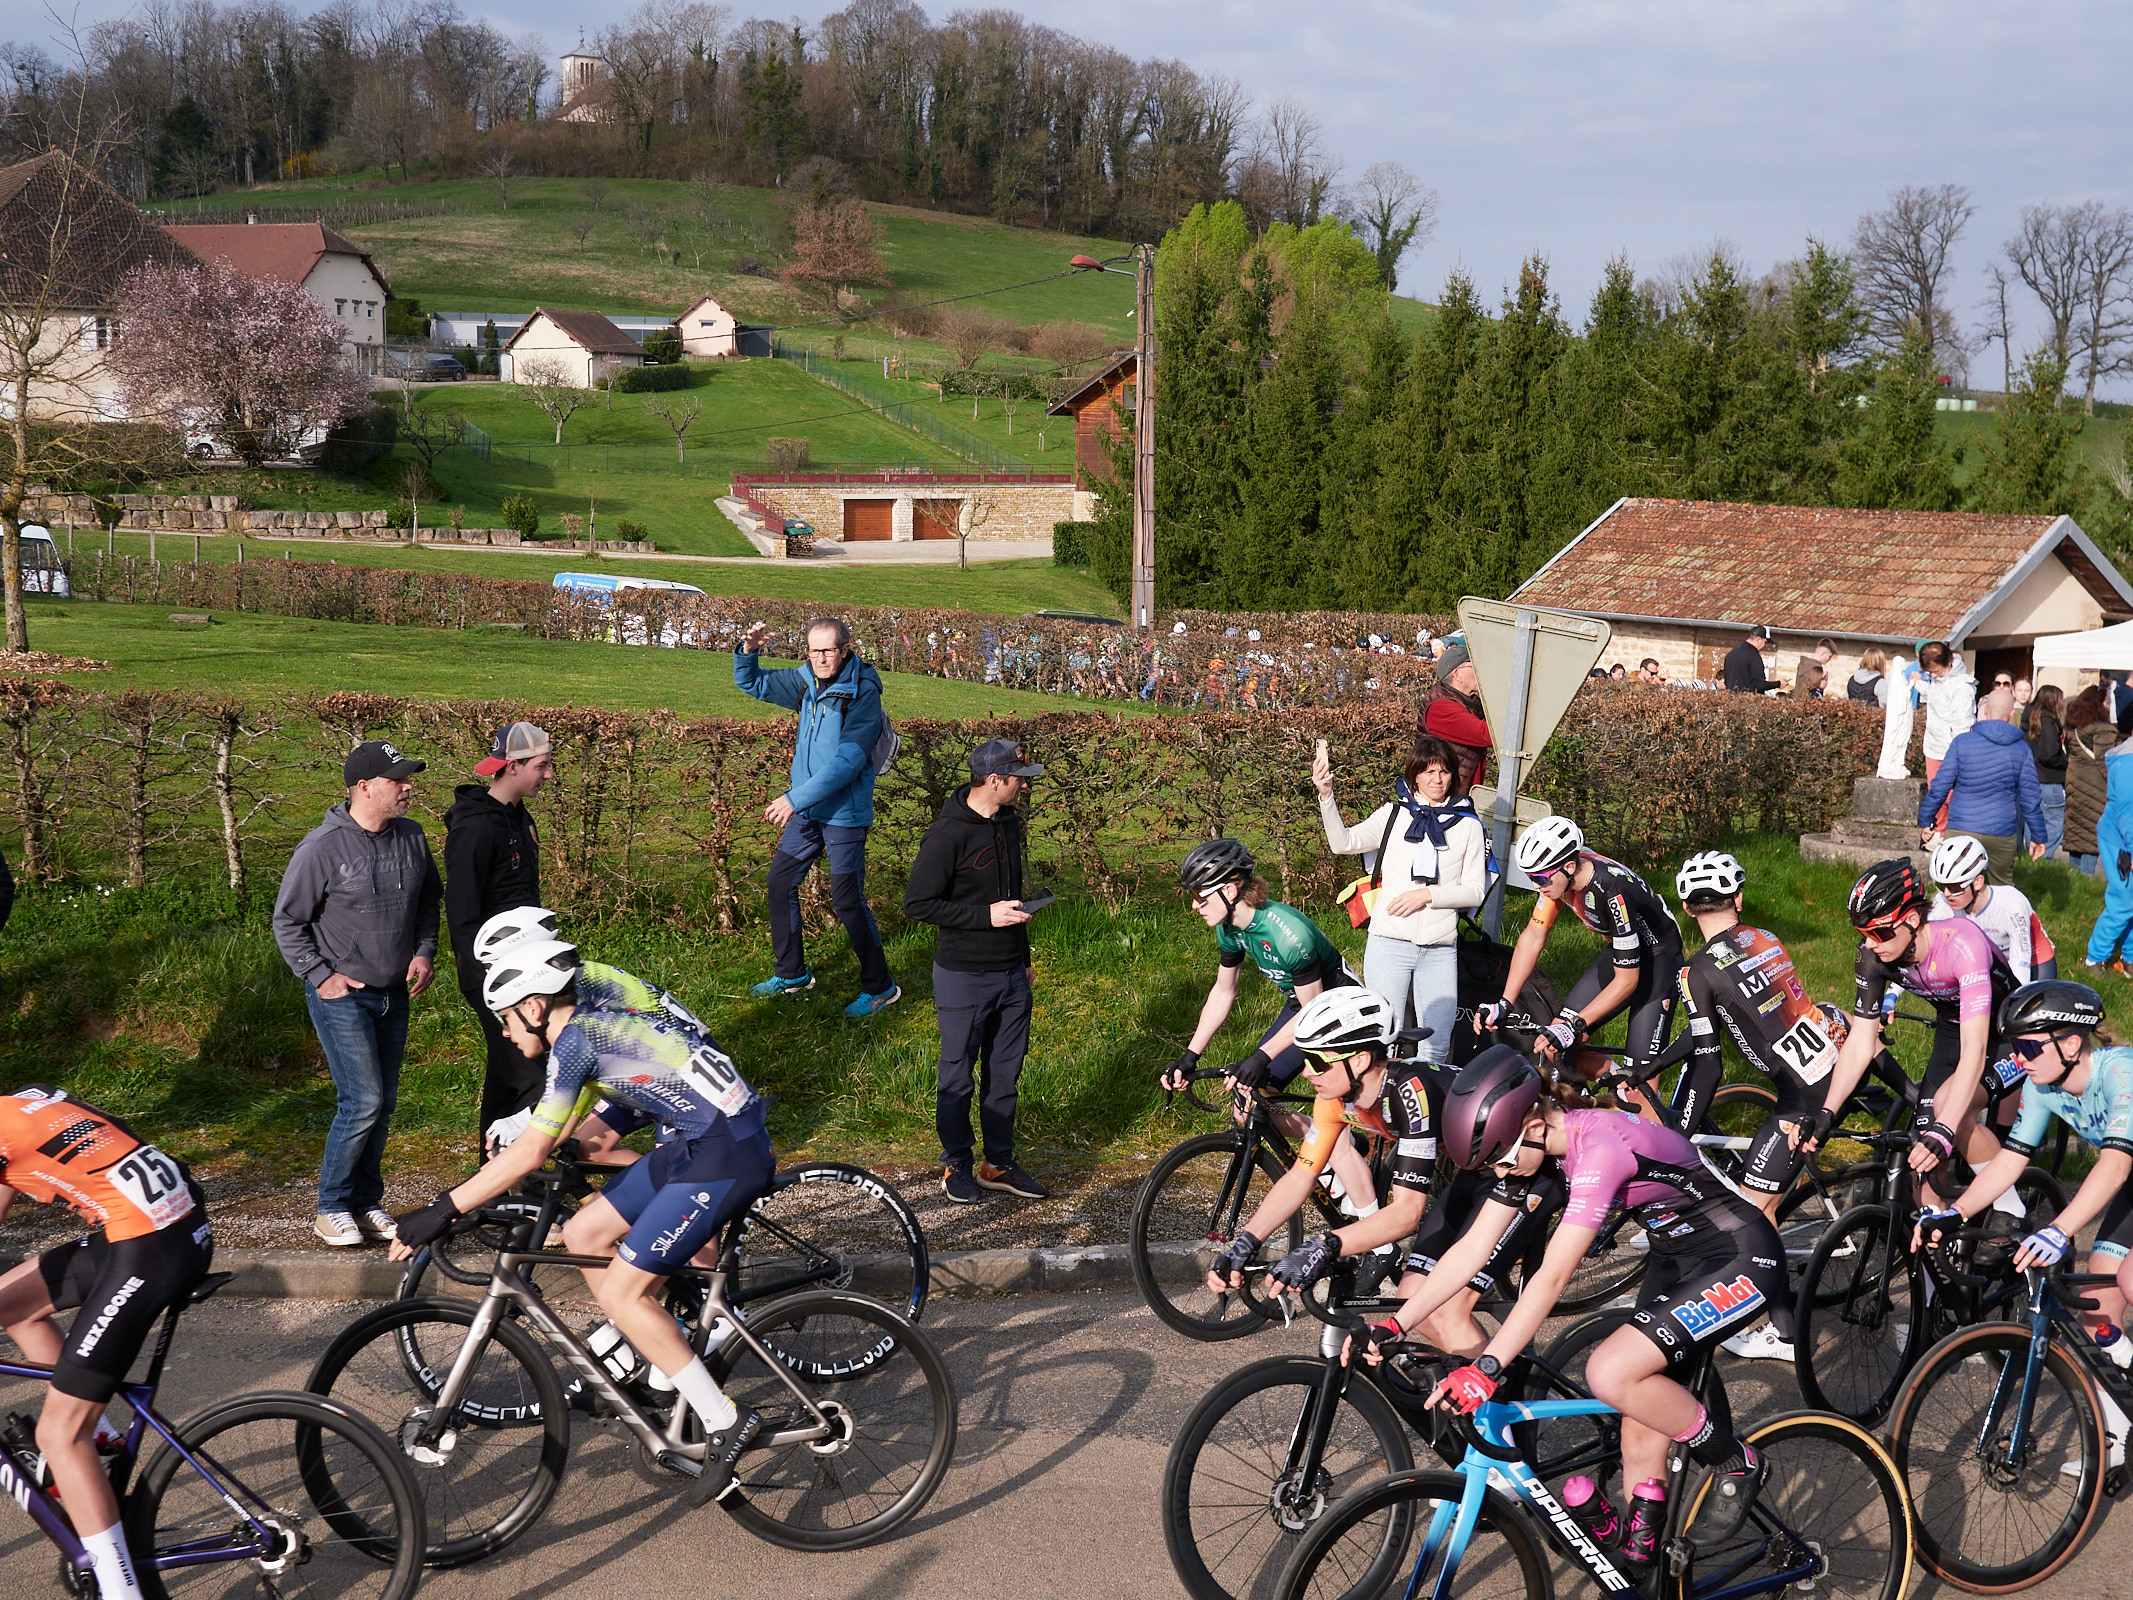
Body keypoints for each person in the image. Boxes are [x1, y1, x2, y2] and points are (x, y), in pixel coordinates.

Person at [390, 940, 773, 1506]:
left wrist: (443, 1207)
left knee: (622, 1291)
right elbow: (553, 1132)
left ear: (534, 1006)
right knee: (584, 1233)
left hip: (724, 1153)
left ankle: (725, 1419)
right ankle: (659, 1356)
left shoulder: (577, 1042)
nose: (503, 1031)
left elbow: (531, 1153)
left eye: (504, 1017)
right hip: (696, 1143)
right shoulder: (586, 1031)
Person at [1366, 1051, 1781, 1566]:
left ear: (1535, 1126)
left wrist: (1487, 1368)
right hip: (1675, 1259)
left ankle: (1735, 1460)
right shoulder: (1537, 1146)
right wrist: (1396, 1322)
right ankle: (1643, 1565)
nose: (1499, 1172)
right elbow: (1470, 1251)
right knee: (1638, 1429)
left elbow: (1552, 1278)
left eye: (1502, 1160)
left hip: (1740, 1257)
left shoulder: (1600, 1149)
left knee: (1608, 1372)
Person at [1215, 990, 1562, 1353]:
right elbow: (1301, 1175)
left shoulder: (1410, 1092)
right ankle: (1478, 1378)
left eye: (1317, 1062)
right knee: (1412, 1299)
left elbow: (1407, 1213)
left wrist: (1326, 1244)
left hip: (1526, 1167)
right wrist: (1246, 1243)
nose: (1305, 1071)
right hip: (1478, 1170)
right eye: (1305, 1059)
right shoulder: (1333, 1100)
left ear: (1360, 1060)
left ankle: (1494, 1387)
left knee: (1447, 1313)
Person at [0, 1086, 213, 1600]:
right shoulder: (27, 1101)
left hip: (147, 1249)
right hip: (173, 1228)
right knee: (11, 1306)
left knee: (58, 1434)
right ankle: (97, 1439)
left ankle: (121, 1591)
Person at [1916, 981, 2133, 1469]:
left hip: (2126, 1172)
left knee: (2129, 1281)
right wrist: (1956, 1212)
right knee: (2098, 1309)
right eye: (2015, 1046)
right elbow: (2010, 1161)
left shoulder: (2122, 1072)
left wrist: (2059, 1229)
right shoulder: (2042, 1087)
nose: (2020, 1058)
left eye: (2030, 1047)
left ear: (2071, 1044)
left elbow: (2115, 1167)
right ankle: (2117, 1439)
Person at [272, 740, 442, 1249]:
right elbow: (288, 922)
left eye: (408, 778)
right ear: (364, 787)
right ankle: (331, 1208)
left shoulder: (412, 836)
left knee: (382, 1103)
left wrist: (424, 951)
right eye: (397, 780)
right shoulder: (321, 847)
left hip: (395, 993)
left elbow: (428, 903)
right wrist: (321, 976)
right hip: (343, 995)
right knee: (362, 1101)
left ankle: (365, 1204)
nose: (408, 787)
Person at [1159, 839, 1377, 1222]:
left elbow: (1314, 1012)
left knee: (1327, 1121)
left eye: (1199, 895)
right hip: (1305, 1007)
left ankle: (1373, 1229)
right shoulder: (1230, 928)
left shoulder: (1288, 934)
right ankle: (1327, 1148)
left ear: (1230, 891)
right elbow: (1223, 991)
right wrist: (1190, 1055)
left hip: (1340, 1016)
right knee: (1248, 1103)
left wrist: (1263, 1055)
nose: (1194, 905)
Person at [1810, 859, 2018, 1209]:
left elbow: (1975, 1047)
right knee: (1922, 1160)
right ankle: (1933, 1233)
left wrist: (1946, 1128)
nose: (1870, 944)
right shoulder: (1873, 957)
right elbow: (1861, 1042)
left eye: (1878, 933)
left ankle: (2008, 1212)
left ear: (1910, 920)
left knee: (1950, 1112)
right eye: (1863, 933)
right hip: (1952, 1029)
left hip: (2010, 1033)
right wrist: (1826, 1112)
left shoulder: (1962, 945)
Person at [903, 738, 1050, 1205]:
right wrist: (985, 917)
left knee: (1004, 1077)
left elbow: (1011, 898)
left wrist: (1022, 961)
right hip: (963, 977)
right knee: (958, 1076)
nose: (1024, 786)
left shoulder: (1007, 824)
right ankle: (956, 1164)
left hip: (1011, 976)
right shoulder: (946, 836)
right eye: (1018, 779)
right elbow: (918, 904)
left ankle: (998, 1164)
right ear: (994, 780)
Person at [733, 616, 899, 1019]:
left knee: (846, 899)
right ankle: (792, 974)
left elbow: (849, 762)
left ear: (845, 649)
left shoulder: (862, 692)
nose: (821, 658)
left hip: (844, 813)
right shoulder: (804, 680)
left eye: (828, 650)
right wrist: (748, 652)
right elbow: (753, 683)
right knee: (780, 882)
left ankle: (881, 987)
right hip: (808, 811)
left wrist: (794, 798)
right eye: (813, 650)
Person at [1313, 736, 1486, 1063]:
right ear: (1415, 776)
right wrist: (1326, 796)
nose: (1437, 779)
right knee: (1383, 1040)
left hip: (1440, 949)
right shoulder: (1392, 815)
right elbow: (1343, 843)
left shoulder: (1468, 825)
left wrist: (1427, 895)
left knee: (1436, 1045)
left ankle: (1427, 1095)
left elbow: (1476, 890)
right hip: (1388, 944)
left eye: (1444, 771)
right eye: (1429, 771)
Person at [1478, 817, 1682, 1086]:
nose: (1536, 886)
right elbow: (1533, 936)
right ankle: (1615, 1085)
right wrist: (1505, 1002)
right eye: (1531, 878)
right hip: (1622, 953)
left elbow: (1627, 981)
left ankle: (1635, 1092)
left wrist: (1574, 1025)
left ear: (1570, 867)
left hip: (1659, 962)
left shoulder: (1611, 892)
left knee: (1640, 1081)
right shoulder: (1562, 876)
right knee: (1554, 1046)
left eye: (1539, 878)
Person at [445, 722, 554, 1148]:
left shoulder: (519, 817)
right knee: (534, 1076)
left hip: (528, 970)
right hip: (495, 976)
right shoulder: (475, 830)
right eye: (542, 766)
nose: (549, 774)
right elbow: (462, 915)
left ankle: (490, 1177)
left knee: (507, 1076)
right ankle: (524, 1173)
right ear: (513, 766)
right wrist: (492, 981)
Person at [1919, 685, 2048, 883]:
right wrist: (2038, 836)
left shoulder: (1962, 742)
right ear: (2011, 713)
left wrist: (1927, 820)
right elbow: (2030, 798)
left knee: (1956, 886)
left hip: (1961, 827)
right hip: (2001, 832)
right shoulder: (2021, 749)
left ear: (1986, 711)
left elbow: (1939, 787)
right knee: (2002, 888)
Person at [1930, 835, 2052, 986]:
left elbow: (2021, 962)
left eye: (1955, 887)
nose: (1947, 893)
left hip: (2033, 961)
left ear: (1977, 882)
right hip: (1990, 961)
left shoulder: (2012, 903)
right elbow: (1922, 950)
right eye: (1941, 886)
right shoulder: (1941, 902)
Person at [1421, 639, 1489, 799]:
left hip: (1456, 796)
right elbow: (1486, 733)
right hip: (1441, 800)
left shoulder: (1469, 701)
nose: (1479, 671)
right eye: (1474, 667)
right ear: (1457, 674)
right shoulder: (1440, 708)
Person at [1919, 642, 1977, 827]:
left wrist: (1958, 753)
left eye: (1936, 671)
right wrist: (1919, 683)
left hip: (1952, 749)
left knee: (1950, 795)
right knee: (1935, 792)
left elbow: (1963, 724)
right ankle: (1939, 830)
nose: (1933, 676)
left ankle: (1954, 830)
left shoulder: (1962, 687)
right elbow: (1933, 696)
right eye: (1930, 672)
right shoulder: (1937, 679)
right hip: (1933, 746)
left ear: (1948, 663)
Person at [2088, 736, 2133, 972]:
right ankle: (2095, 958)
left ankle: (2130, 958)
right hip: (2120, 840)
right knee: (2123, 900)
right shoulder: (2128, 763)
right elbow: (2128, 814)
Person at [2066, 685, 2117, 876]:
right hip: (2095, 786)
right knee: (2089, 834)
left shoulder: (2075, 727)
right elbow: (2106, 762)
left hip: (2074, 781)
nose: (2108, 706)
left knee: (2076, 832)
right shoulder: (2103, 729)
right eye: (2106, 702)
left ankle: (2073, 877)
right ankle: (2086, 879)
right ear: (2098, 704)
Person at [2027, 684, 2068, 859]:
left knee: (2034, 823)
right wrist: (2066, 762)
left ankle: (2030, 858)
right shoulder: (2048, 723)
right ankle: (2040, 858)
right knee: (2055, 824)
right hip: (2050, 780)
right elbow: (2048, 755)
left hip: (2033, 778)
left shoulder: (2031, 720)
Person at [1722, 624, 1773, 694]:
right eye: (1765, 642)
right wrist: (1778, 684)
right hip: (1748, 699)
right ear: (1758, 639)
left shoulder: (1731, 654)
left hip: (1730, 697)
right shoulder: (1754, 656)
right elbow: (1760, 685)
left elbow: (1727, 680)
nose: (1765, 645)